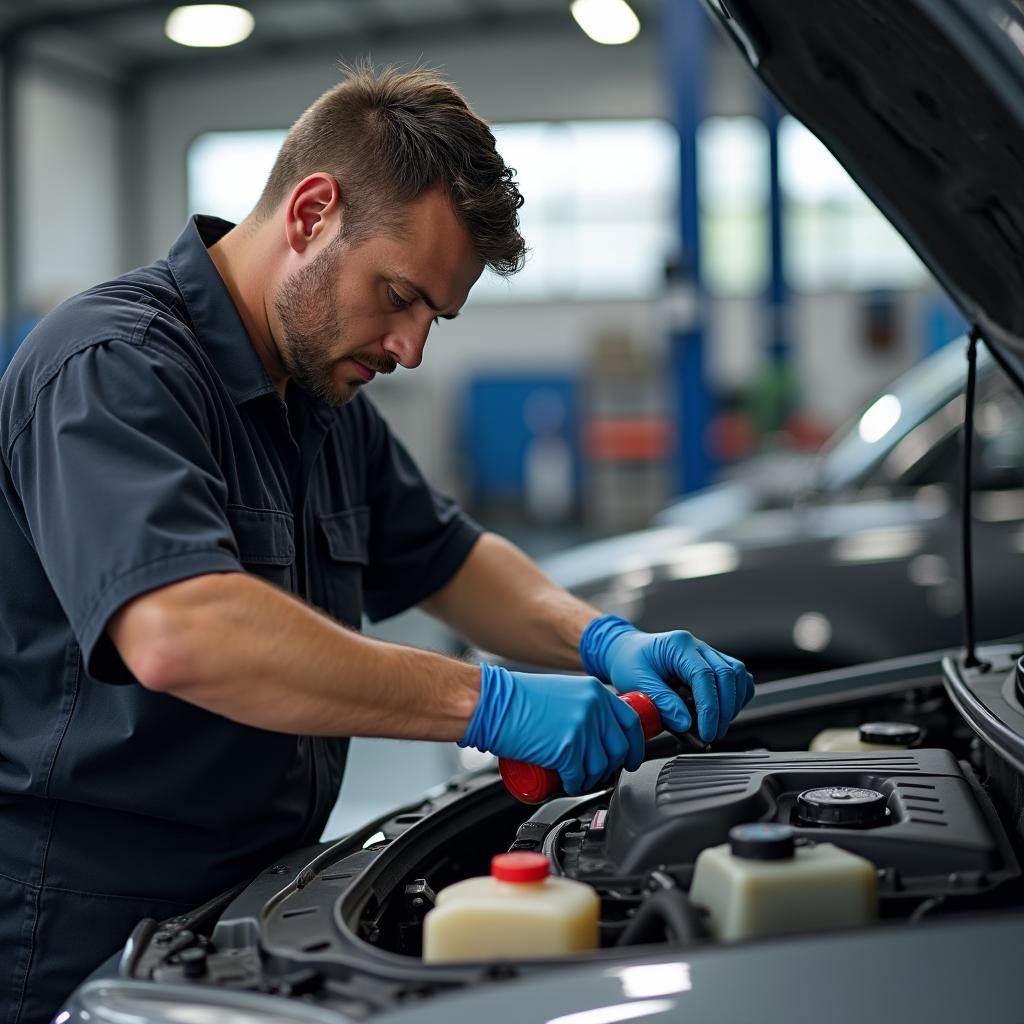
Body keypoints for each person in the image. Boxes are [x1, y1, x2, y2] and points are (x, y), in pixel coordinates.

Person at [0, 64, 753, 1022]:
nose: (411, 349)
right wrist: (487, 702)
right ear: (313, 212)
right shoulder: (112, 366)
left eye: (433, 316)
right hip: (80, 929)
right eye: (398, 295)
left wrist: (603, 639)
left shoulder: (318, 394)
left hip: (255, 902)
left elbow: (449, 556)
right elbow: (182, 631)